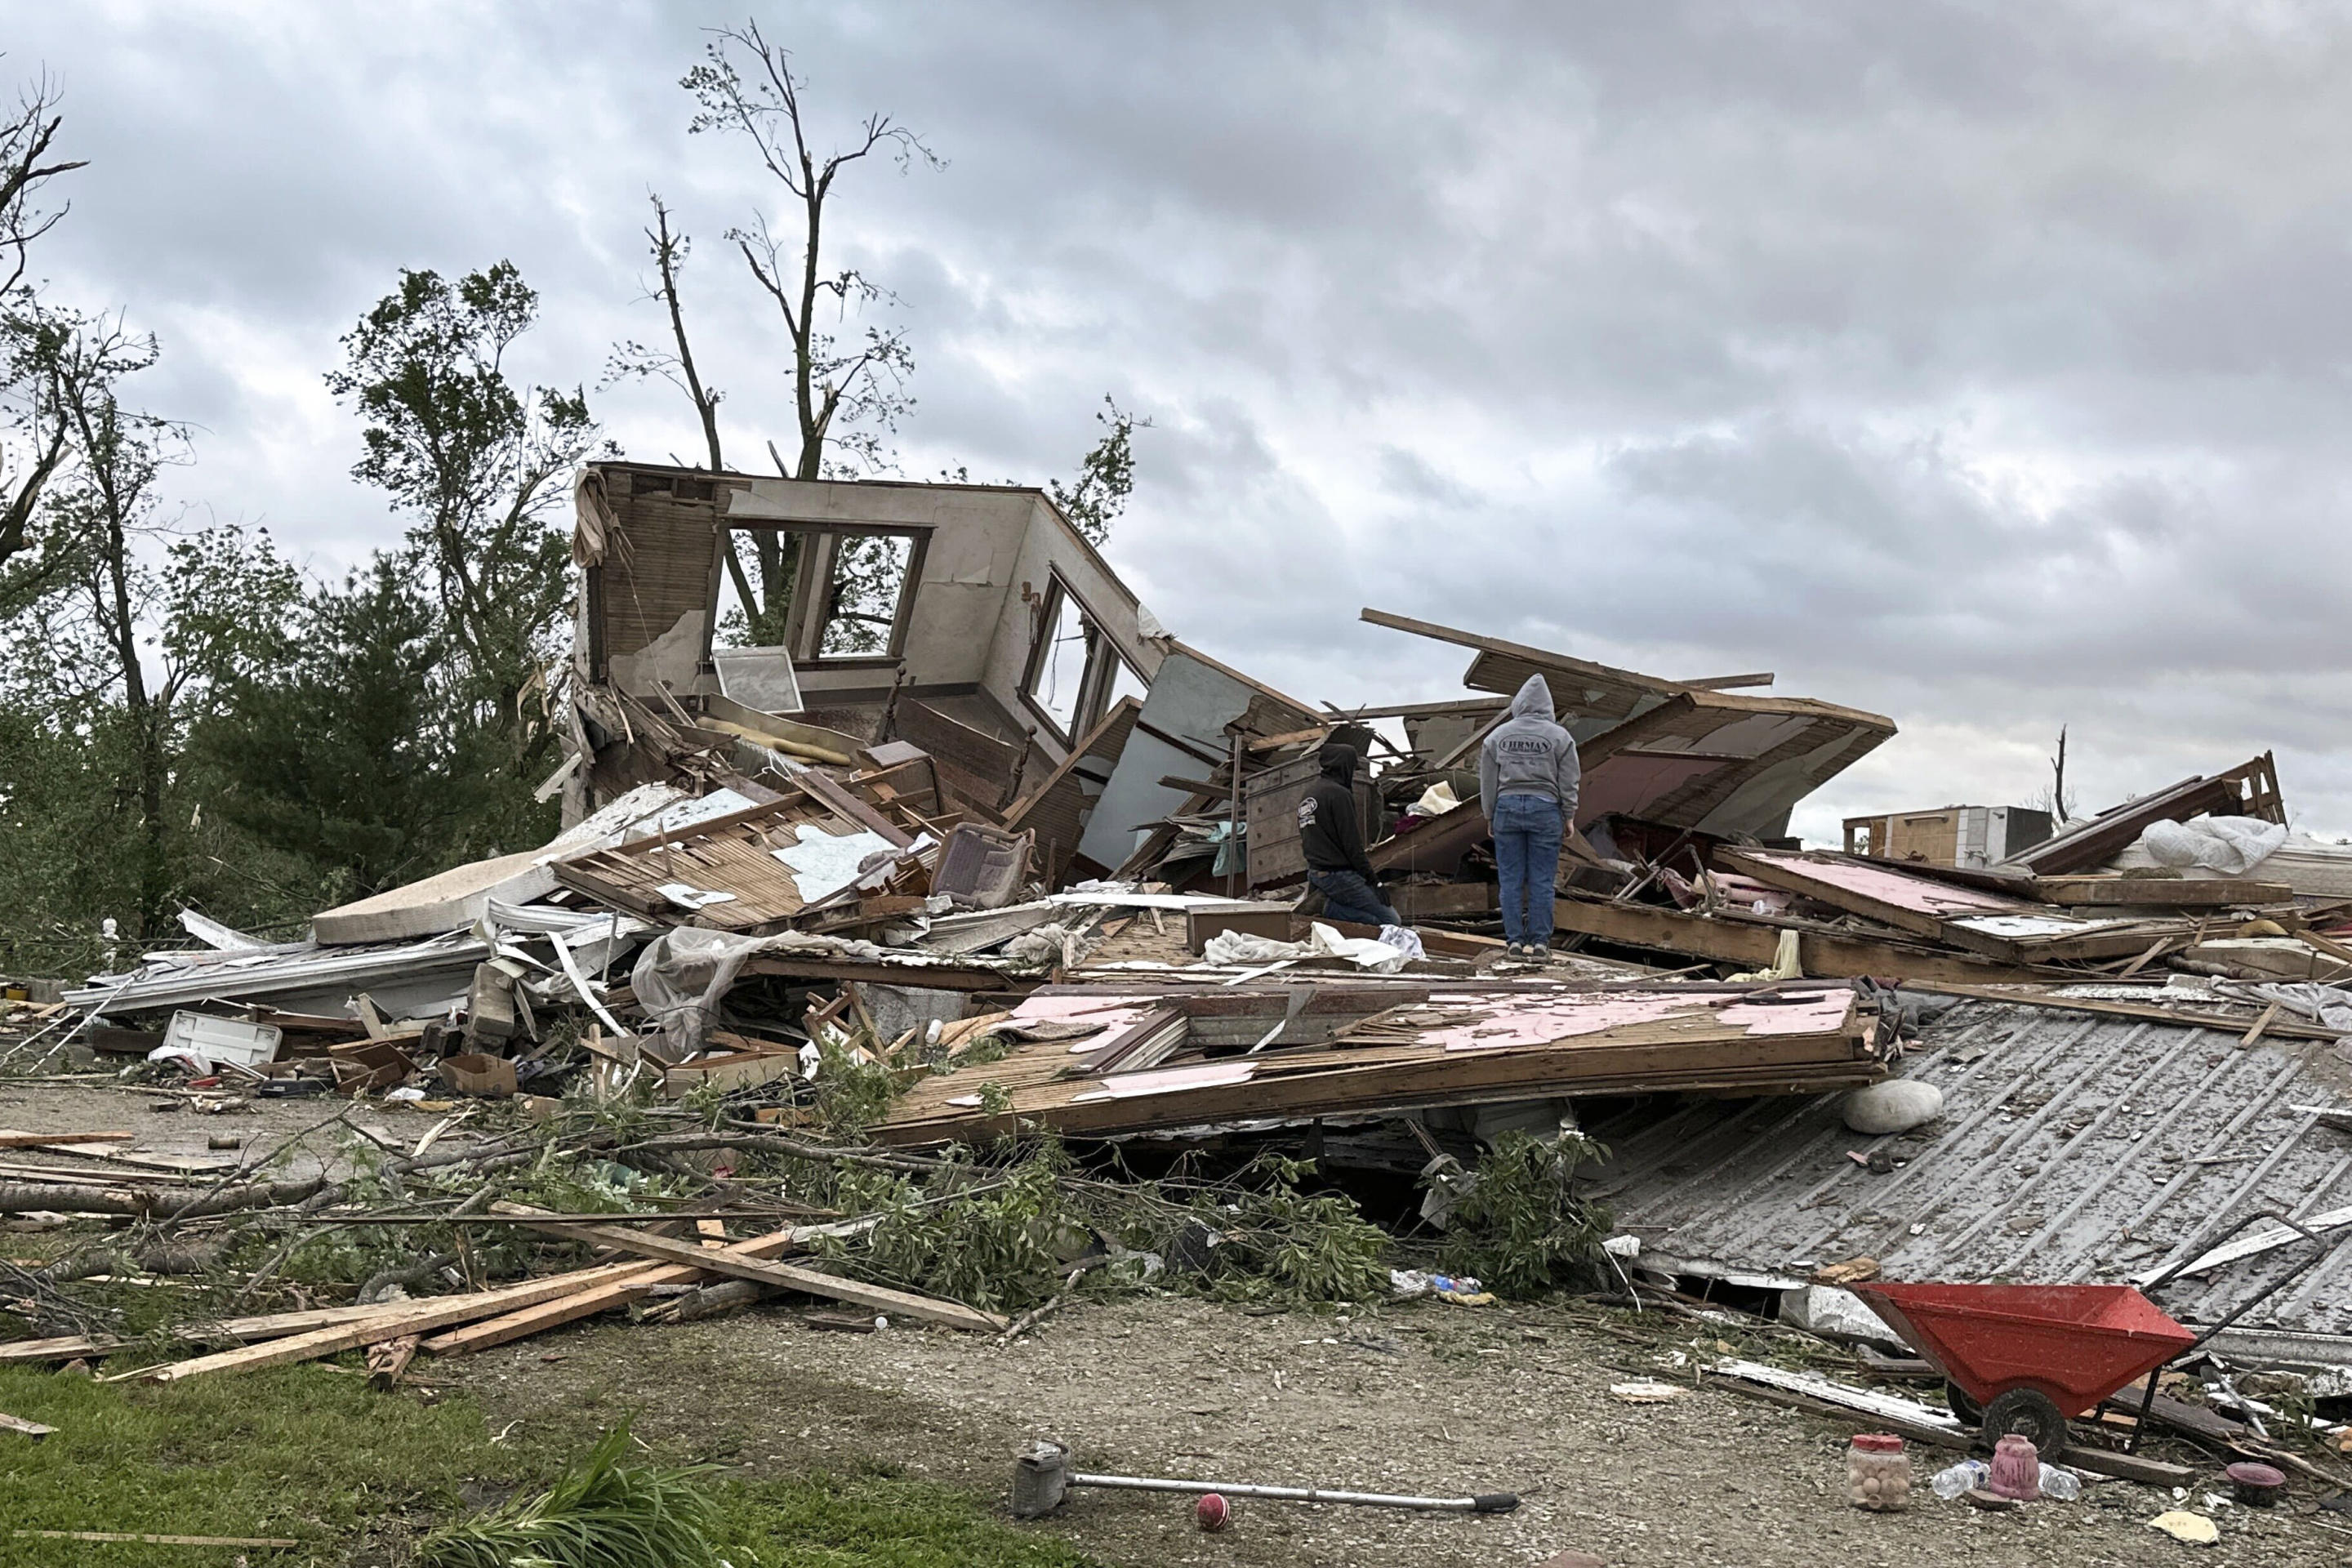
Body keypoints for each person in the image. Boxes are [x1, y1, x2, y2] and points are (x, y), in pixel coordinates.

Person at [1479, 673, 1580, 961]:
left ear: (1519, 703)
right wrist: (1569, 815)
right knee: (1541, 881)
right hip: (1545, 809)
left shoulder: (1497, 736)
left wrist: (1490, 814)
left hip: (1507, 808)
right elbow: (1569, 780)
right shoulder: (1561, 737)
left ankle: (1513, 942)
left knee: (1510, 879)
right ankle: (1539, 945)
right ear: (1548, 705)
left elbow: (1488, 781)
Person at [1298, 740, 1402, 927]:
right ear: (1343, 767)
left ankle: (1330, 908)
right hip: (1338, 875)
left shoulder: (1309, 793)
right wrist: (1374, 882)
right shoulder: (1339, 794)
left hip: (1315, 872)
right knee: (1391, 921)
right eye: (1352, 769)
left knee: (1370, 918)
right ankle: (1327, 908)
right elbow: (1352, 845)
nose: (1353, 774)